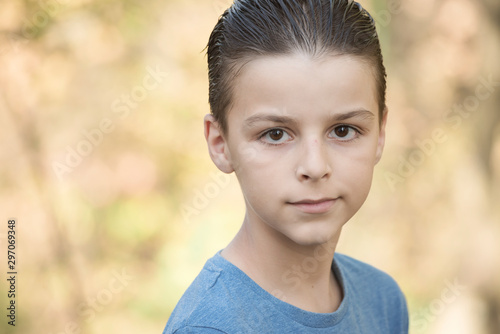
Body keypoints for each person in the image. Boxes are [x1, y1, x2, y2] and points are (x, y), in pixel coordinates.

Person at [164, 0, 409, 332]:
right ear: (220, 145)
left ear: (380, 134)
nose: (315, 166)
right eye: (275, 134)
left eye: (343, 130)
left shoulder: (382, 300)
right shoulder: (211, 327)